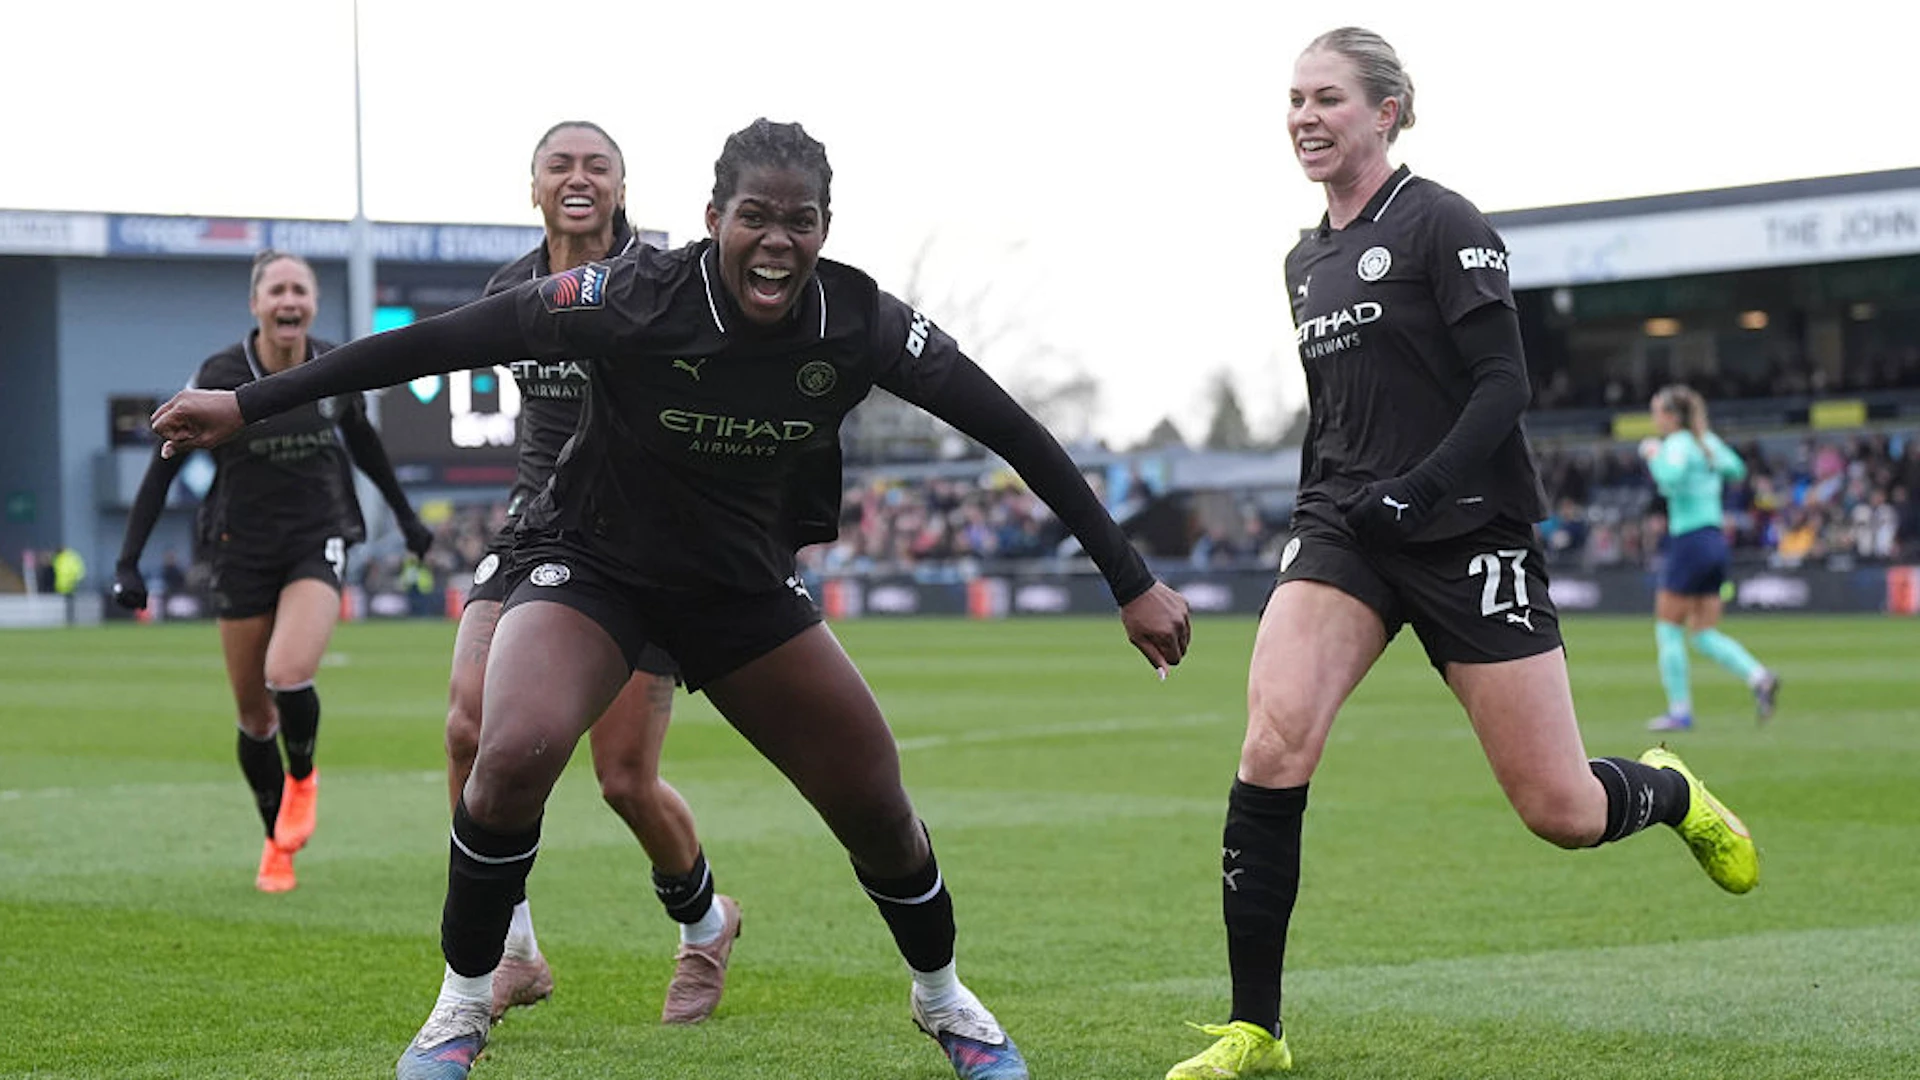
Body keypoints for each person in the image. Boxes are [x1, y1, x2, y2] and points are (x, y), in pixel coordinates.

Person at [150, 117, 1192, 1080]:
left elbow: (1012, 428)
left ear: (826, 229)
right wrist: (246, 405)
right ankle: (464, 1002)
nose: (777, 242)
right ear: (713, 221)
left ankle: (944, 1000)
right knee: (507, 749)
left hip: (739, 587)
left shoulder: (863, 323)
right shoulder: (632, 294)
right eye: (756, 217)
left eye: (801, 220)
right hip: (593, 563)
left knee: (874, 799)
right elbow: (442, 342)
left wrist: (1130, 577)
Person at [1164, 29, 1759, 1079]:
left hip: (1465, 529)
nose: (1305, 116)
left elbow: (1502, 389)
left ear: (1386, 111)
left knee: (1561, 811)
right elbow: (1335, 413)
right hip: (1347, 529)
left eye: (1328, 98)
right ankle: (1256, 1028)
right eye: (1294, 99)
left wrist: (1424, 489)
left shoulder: (1445, 223)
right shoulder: (1304, 261)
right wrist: (1324, 509)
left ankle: (1667, 791)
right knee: (1272, 742)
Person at [450, 120, 742, 1026]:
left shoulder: (661, 286)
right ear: (532, 185)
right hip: (535, 530)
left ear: (622, 188)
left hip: (639, 546)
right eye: (559, 165)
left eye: (597, 167)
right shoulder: (509, 288)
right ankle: (516, 952)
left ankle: (705, 924)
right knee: (470, 724)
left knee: (622, 778)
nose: (578, 178)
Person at [114, 249, 433, 893]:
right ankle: (274, 841)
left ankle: (304, 778)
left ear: (313, 303)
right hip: (239, 546)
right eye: (277, 290)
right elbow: (165, 465)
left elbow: (363, 443)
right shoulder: (222, 374)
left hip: (317, 536)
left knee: (288, 674)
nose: (289, 301)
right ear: (256, 303)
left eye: (301, 291)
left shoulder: (333, 365)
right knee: (253, 716)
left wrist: (406, 518)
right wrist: (128, 560)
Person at [1640, 385, 1780, 731]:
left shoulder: (1675, 445)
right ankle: (1759, 676)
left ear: (1672, 416)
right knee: (1703, 632)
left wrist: (1653, 453)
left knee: (1668, 628)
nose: (1655, 418)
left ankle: (1680, 711)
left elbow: (1669, 475)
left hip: (1689, 540)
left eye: (1658, 412)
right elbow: (1736, 470)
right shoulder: (1708, 442)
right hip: (1716, 540)